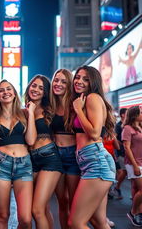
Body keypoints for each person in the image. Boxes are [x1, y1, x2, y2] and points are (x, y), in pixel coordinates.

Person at [68, 65, 116, 228]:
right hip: (91, 160)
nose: (79, 81)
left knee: (75, 223)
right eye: (78, 77)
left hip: (96, 162)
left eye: (85, 79)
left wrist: (78, 110)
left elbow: (95, 133)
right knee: (98, 222)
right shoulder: (85, 99)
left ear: (93, 82)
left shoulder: (92, 98)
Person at [0, 79, 36, 228]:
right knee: (2, 215)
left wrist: (32, 113)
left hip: (24, 165)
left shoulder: (24, 114)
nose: (5, 92)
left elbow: (31, 140)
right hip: (0, 165)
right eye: (1, 90)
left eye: (9, 89)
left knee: (26, 219)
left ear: (14, 94)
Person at [24, 75, 62, 229]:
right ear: (29, 87)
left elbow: (33, 139)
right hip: (31, 161)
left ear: (46, 93)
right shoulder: (23, 109)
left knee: (37, 210)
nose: (36, 90)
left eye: (41, 88)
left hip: (49, 158)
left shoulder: (49, 110)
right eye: (34, 86)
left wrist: (32, 113)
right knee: (43, 209)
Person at [50, 69, 80, 229]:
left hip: (73, 156)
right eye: (56, 80)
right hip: (55, 156)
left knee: (75, 202)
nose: (58, 84)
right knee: (62, 201)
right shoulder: (50, 105)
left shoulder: (75, 105)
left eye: (63, 81)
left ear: (69, 85)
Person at [122, 106, 142, 227]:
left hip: (141, 162)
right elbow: (126, 148)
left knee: (137, 188)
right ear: (135, 115)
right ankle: (133, 212)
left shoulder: (139, 127)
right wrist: (135, 165)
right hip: (134, 163)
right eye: (141, 112)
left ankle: (139, 212)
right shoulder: (127, 129)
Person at [114, 108, 127, 199]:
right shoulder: (118, 126)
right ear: (122, 115)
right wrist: (123, 146)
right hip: (121, 152)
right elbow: (115, 138)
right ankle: (116, 187)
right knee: (123, 171)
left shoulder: (128, 124)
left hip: (129, 151)